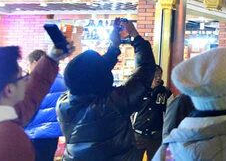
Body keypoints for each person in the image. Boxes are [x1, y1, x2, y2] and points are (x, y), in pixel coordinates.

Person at [58, 19, 156, 161]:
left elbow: (93, 74)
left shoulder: (63, 104)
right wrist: (135, 36)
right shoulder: (113, 104)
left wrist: (114, 47)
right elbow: (145, 70)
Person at [0, 43, 73, 161]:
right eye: (22, 76)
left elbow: (31, 95)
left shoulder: (1, 115)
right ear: (9, 90)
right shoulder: (9, 138)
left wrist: (51, 59)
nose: (26, 80)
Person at [23, 49, 68, 161]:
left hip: (34, 133)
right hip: (53, 134)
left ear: (35, 63)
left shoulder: (36, 81)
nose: (28, 68)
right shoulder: (61, 79)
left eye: (29, 64)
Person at [132, 66, 172, 160]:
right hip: (138, 135)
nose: (158, 78)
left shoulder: (165, 92)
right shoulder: (139, 91)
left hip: (156, 136)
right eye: (155, 75)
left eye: (160, 75)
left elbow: (170, 112)